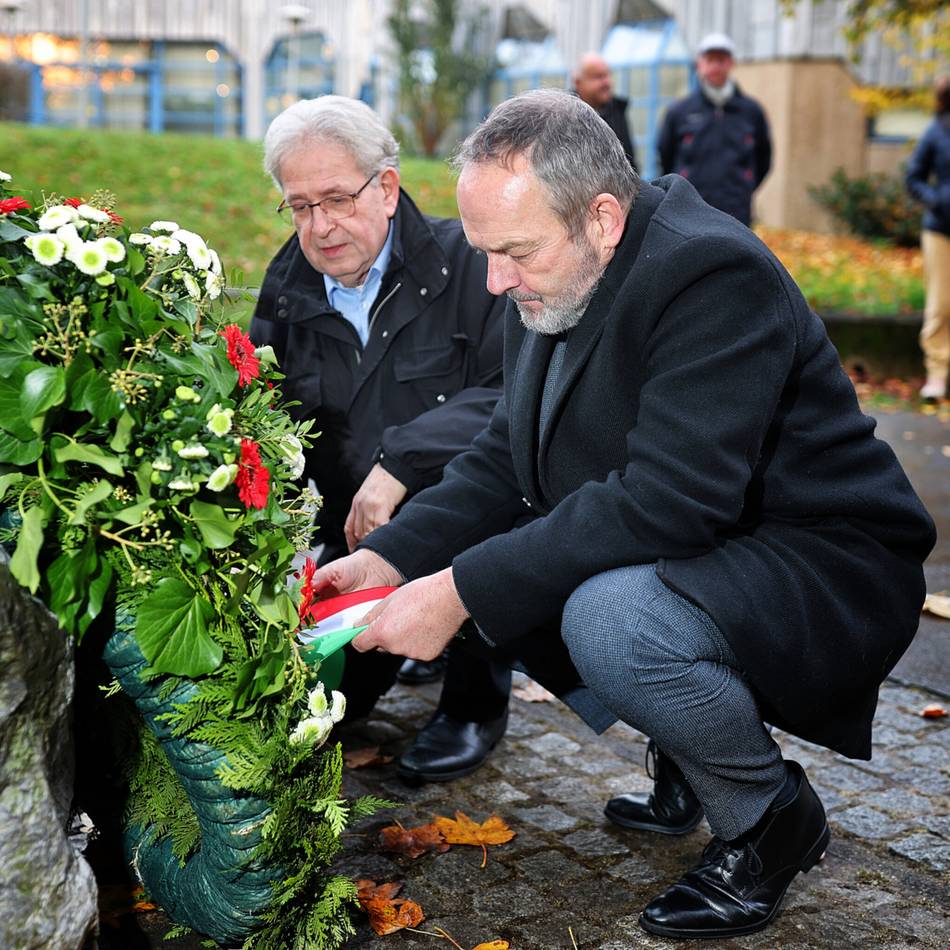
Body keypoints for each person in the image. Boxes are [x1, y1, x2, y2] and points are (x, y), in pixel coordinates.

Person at [310, 89, 935, 939]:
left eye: (514, 253)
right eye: (488, 252)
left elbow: (671, 501)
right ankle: (689, 750)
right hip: (723, 539)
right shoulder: (549, 272)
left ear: (601, 218)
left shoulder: (712, 273)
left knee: (606, 616)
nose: (493, 280)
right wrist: (396, 558)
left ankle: (767, 818)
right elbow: (506, 454)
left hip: (827, 558)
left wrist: (456, 590)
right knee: (518, 560)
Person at [250, 95, 511, 781]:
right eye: (300, 206)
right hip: (355, 538)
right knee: (312, 720)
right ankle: (398, 651)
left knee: (497, 517)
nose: (321, 226)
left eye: (336, 198)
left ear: (387, 188)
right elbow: (266, 421)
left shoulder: (471, 264)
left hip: (464, 513)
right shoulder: (285, 293)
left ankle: (473, 702)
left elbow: (514, 393)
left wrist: (401, 462)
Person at [658, 32, 771, 227]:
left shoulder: (751, 111)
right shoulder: (679, 111)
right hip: (690, 210)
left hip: (736, 212)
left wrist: (743, 186)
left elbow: (763, 159)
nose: (715, 66)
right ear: (699, 64)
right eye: (710, 60)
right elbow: (665, 155)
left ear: (731, 64)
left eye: (721, 60)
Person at [906, 74, 950, 401]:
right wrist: (936, 200)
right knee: (941, 304)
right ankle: (937, 375)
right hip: (941, 230)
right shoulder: (937, 131)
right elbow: (914, 177)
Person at [573, 52, 638, 171]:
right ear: (578, 82)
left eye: (608, 75)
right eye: (598, 77)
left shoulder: (617, 110)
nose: (607, 83)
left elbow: (630, 162)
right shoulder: (563, 115)